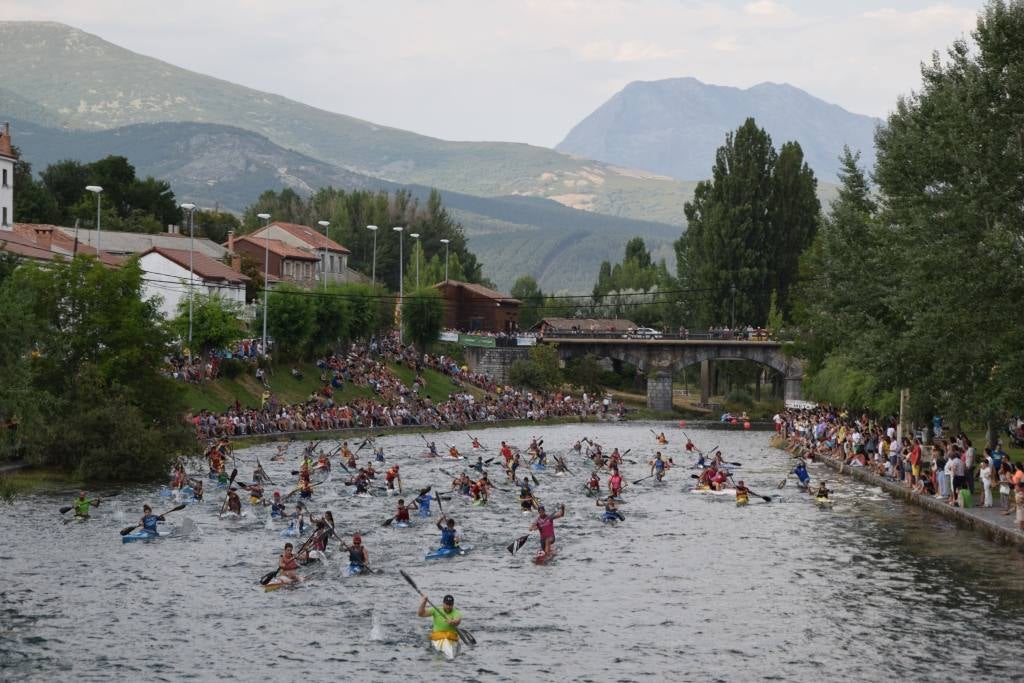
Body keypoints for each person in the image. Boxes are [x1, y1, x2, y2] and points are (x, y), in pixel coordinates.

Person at [418, 593, 462, 660]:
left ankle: (449, 654)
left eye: (450, 605)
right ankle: (448, 654)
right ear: (443, 603)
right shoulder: (436, 610)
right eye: (447, 604)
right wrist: (424, 602)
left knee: (449, 645)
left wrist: (453, 622)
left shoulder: (456, 612)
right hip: (438, 636)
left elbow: (458, 620)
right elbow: (421, 614)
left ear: (453, 605)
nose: (448, 606)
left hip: (451, 637)